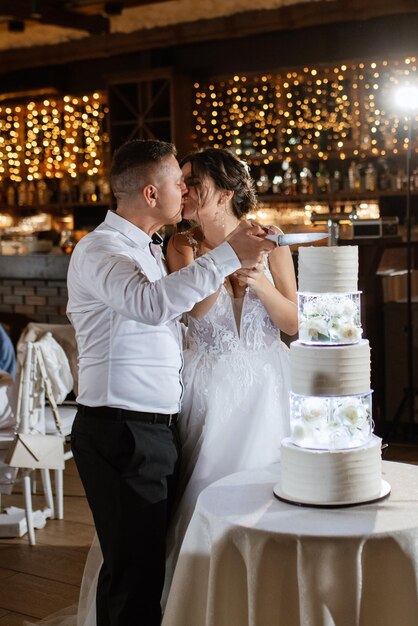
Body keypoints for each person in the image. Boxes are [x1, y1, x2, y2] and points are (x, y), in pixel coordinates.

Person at [66, 138, 275, 626]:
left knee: (142, 570)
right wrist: (227, 256)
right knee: (133, 576)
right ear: (151, 193)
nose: (186, 189)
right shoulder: (101, 249)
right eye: (177, 182)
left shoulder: (147, 248)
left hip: (151, 428)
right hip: (121, 428)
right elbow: (151, 304)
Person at [163, 147, 298, 591]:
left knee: (269, 487)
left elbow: (293, 323)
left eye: (191, 183)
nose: (182, 190)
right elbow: (197, 312)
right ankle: (203, 593)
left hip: (268, 384)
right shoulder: (182, 243)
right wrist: (221, 267)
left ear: (223, 192)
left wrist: (258, 280)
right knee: (206, 487)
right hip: (210, 386)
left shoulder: (271, 238)